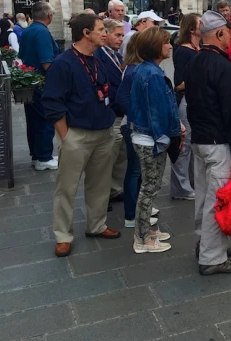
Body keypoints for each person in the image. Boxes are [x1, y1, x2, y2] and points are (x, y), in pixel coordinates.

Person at [41, 14, 121, 257]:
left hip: (103, 131)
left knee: (100, 183)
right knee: (66, 187)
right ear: (86, 33)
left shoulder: (97, 59)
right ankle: (63, 235)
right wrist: (66, 137)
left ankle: (96, 225)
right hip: (77, 134)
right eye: (100, 30)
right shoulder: (64, 63)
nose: (105, 33)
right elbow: (52, 102)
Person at [185, 10, 231, 275]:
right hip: (217, 141)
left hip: (200, 139)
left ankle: (208, 243)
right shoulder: (224, 67)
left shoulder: (195, 61)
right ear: (219, 34)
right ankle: (211, 258)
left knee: (204, 197)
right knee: (216, 201)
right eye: (228, 32)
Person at [128, 27, 182, 253]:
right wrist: (167, 138)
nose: (170, 46)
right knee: (149, 189)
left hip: (147, 137)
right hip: (150, 139)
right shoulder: (152, 74)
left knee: (150, 187)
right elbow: (157, 113)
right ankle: (142, 239)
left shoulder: (146, 70)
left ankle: (147, 232)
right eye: (166, 42)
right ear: (155, 47)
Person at [114, 33, 152, 229]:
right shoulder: (134, 71)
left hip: (134, 125)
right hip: (134, 127)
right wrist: (140, 116)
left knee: (137, 171)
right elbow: (121, 100)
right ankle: (131, 215)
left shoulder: (134, 68)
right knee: (135, 171)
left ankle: (136, 210)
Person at [20, 1, 60, 170]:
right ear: (49, 16)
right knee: (45, 119)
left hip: (30, 81)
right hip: (42, 82)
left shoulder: (28, 30)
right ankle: (44, 157)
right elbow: (46, 62)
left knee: (34, 120)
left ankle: (37, 155)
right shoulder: (42, 32)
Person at [170, 13, 202, 201]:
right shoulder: (183, 51)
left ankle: (189, 182)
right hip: (185, 100)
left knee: (193, 144)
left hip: (196, 100)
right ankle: (181, 187)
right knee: (185, 144)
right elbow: (179, 83)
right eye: (200, 24)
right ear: (192, 29)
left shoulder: (197, 49)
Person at [94, 19, 126, 206]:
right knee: (107, 159)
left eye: (122, 35)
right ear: (106, 35)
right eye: (117, 35)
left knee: (120, 156)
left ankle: (114, 189)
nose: (121, 39)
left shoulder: (117, 55)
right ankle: (102, 197)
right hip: (110, 113)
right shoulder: (99, 56)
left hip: (119, 113)